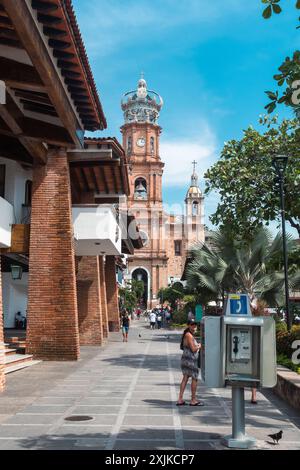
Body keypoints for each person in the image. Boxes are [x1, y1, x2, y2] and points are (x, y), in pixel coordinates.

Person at [177, 319, 204, 406]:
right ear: (188, 325)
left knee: (185, 378)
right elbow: (193, 349)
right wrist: (199, 346)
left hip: (186, 359)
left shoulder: (187, 334)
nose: (194, 327)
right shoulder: (189, 335)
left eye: (195, 325)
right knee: (194, 378)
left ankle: (180, 399)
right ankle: (193, 400)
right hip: (191, 360)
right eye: (192, 325)